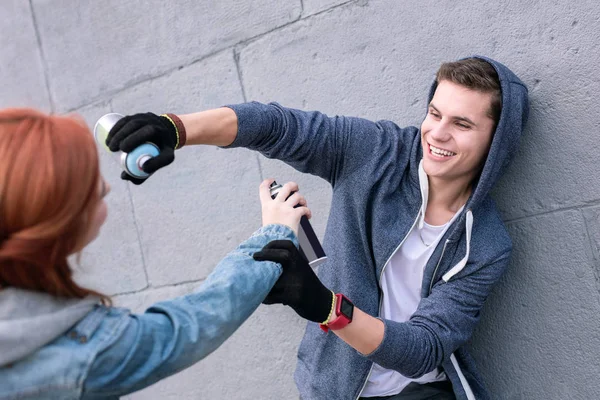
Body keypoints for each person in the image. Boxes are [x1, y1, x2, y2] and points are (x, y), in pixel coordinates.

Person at [105, 56, 529, 400]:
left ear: (497, 141)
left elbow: (423, 348)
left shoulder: (487, 243)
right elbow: (276, 126)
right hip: (331, 388)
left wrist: (325, 305)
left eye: (462, 124)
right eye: (434, 113)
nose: (437, 133)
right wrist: (175, 130)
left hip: (421, 391)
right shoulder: (377, 152)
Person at [0, 108, 312, 399]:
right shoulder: (80, 353)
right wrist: (276, 233)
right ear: (52, 224)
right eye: (89, 187)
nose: (107, 189)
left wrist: (172, 128)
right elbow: (194, 325)